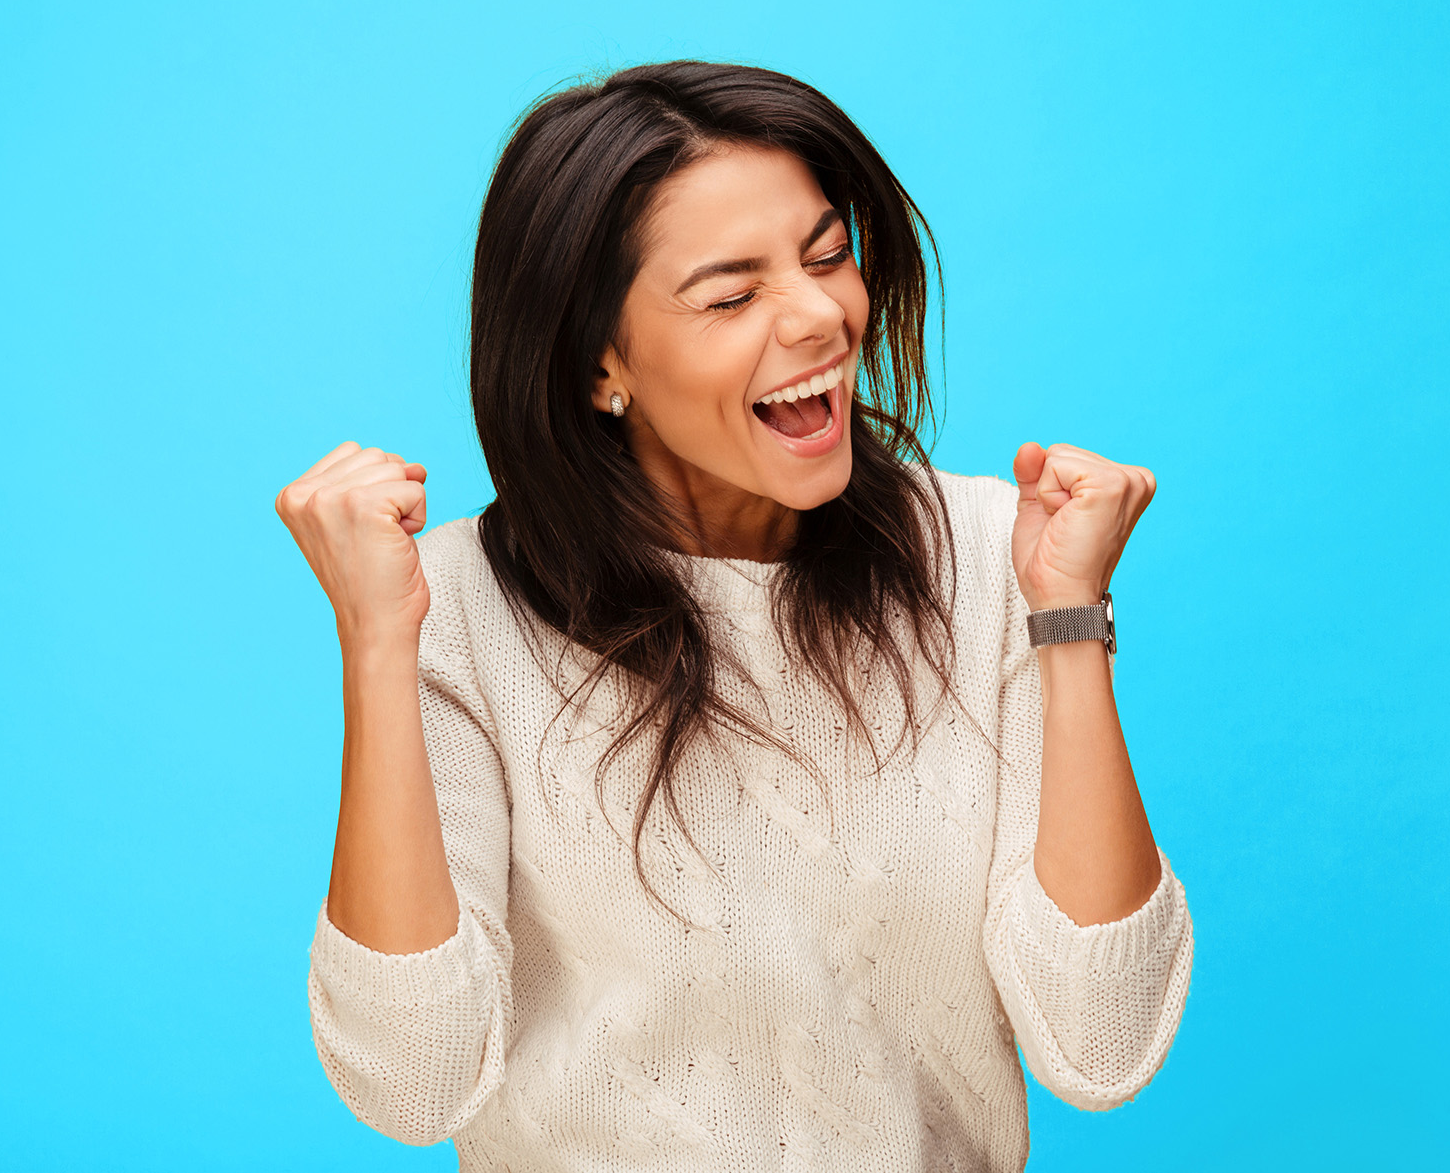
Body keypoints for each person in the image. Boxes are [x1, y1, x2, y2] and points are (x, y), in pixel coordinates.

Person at [276, 61, 1191, 1171]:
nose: (820, 316)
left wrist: (1068, 617)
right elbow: (412, 1080)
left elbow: (1102, 1045)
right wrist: (378, 642)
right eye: (730, 294)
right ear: (599, 361)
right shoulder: (458, 606)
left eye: (826, 254)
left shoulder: (1001, 554)